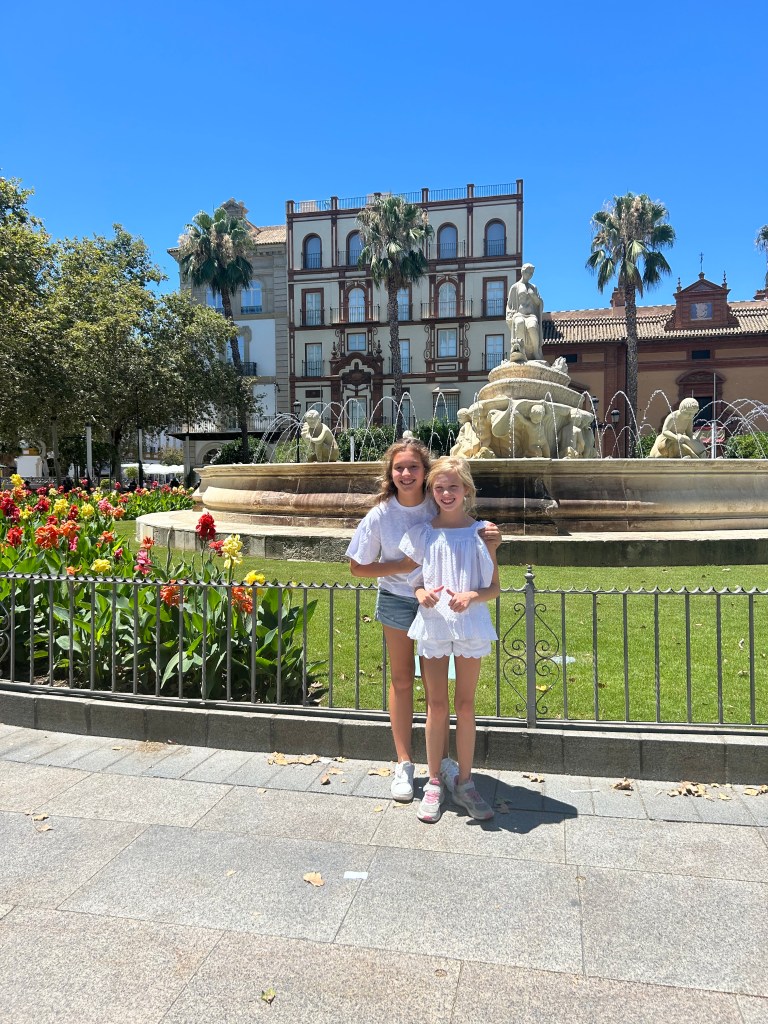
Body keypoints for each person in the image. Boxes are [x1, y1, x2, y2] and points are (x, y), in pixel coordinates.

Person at [346, 440, 500, 803]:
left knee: (437, 692)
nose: (406, 474)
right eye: (399, 467)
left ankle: (442, 763)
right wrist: (400, 567)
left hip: (443, 606)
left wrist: (492, 539)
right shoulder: (381, 514)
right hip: (399, 600)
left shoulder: (439, 498)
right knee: (402, 681)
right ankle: (404, 763)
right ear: (390, 473)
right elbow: (356, 567)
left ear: (425, 472)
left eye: (413, 467)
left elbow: (470, 529)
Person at [400, 456, 501, 823]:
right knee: (436, 704)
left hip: (470, 623)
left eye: (453, 487)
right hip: (435, 624)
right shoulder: (424, 533)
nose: (446, 493)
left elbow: (494, 587)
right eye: (439, 488)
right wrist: (421, 593)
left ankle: (465, 781)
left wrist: (472, 595)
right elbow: (414, 581)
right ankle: (433, 782)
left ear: (466, 490)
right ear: (432, 491)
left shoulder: (482, 533)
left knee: (466, 704)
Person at [506, 263, 544, 362]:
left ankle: (535, 351)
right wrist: (510, 315)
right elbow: (510, 304)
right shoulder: (515, 287)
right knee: (519, 323)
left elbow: (539, 303)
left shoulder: (533, 287)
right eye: (528, 272)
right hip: (519, 314)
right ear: (523, 272)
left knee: (532, 326)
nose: (530, 275)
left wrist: (534, 296)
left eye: (532, 273)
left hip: (531, 315)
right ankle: (521, 350)